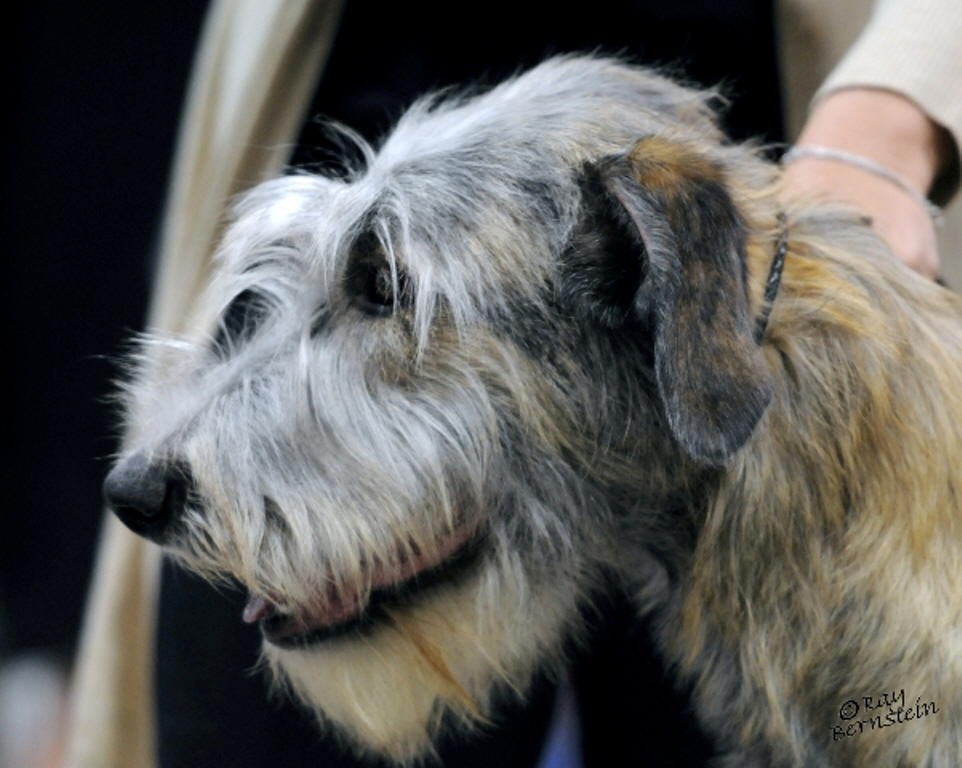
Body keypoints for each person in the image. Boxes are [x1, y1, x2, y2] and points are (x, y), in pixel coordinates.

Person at [63, 1, 961, 767]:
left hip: (769, 132)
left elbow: (904, 718)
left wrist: (891, 115)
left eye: (384, 297)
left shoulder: (906, 698)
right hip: (366, 71)